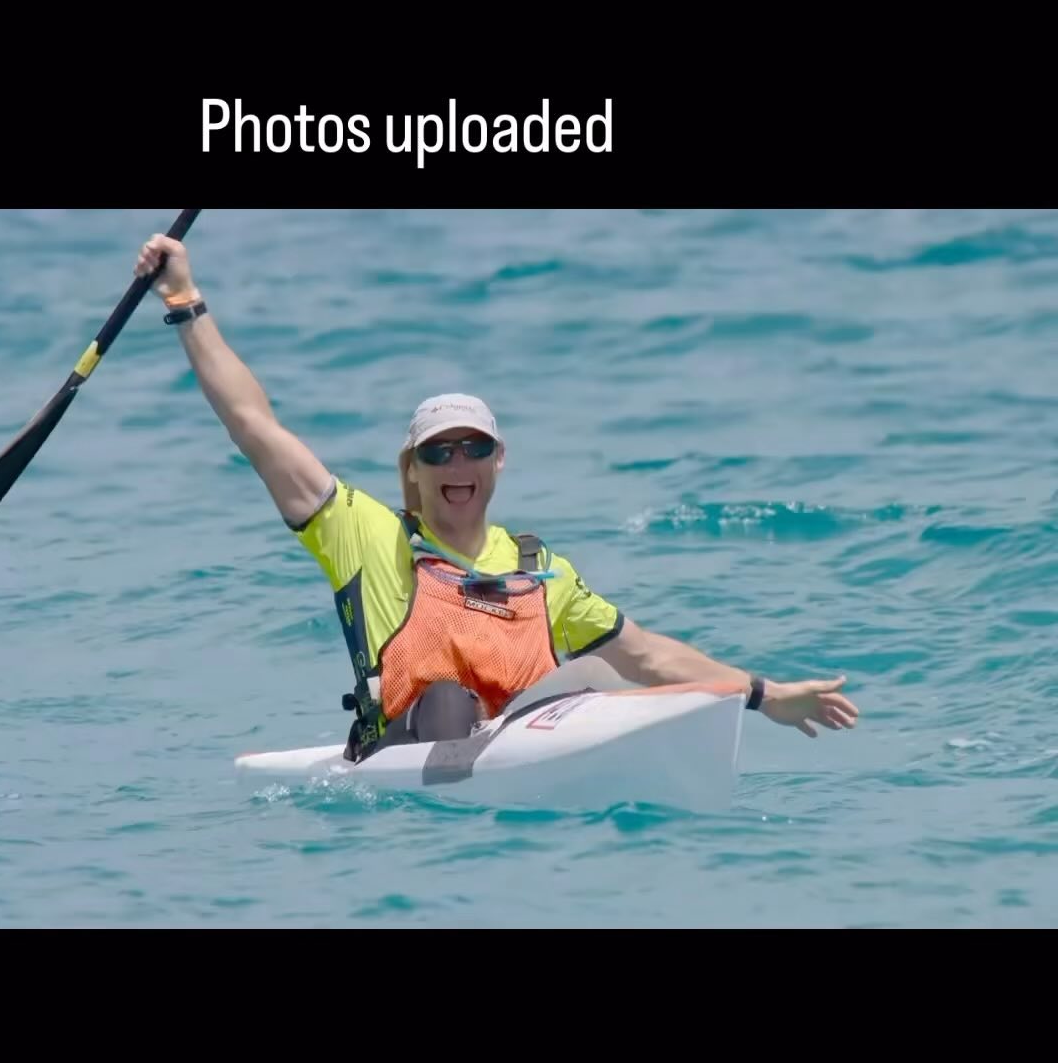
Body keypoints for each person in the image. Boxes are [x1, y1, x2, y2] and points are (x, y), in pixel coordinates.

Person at [135, 234, 860, 757]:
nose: (458, 462)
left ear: (499, 460)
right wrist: (185, 300)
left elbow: (652, 659)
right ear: (410, 470)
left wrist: (763, 696)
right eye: (438, 450)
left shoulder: (542, 570)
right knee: (450, 699)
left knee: (600, 672)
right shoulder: (364, 536)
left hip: (526, 757)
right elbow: (255, 425)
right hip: (416, 764)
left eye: (474, 446)